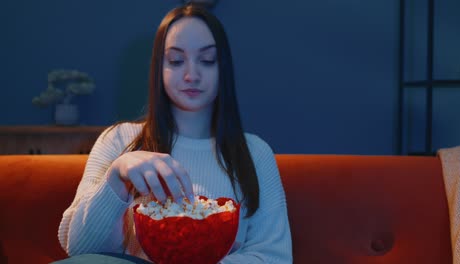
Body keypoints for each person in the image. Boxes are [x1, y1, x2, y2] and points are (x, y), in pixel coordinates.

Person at [58, 3, 292, 263]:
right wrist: (117, 178)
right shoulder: (119, 140)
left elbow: (274, 257)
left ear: (222, 67)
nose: (192, 75)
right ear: (159, 68)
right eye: (176, 61)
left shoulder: (255, 153)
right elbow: (77, 249)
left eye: (207, 60)